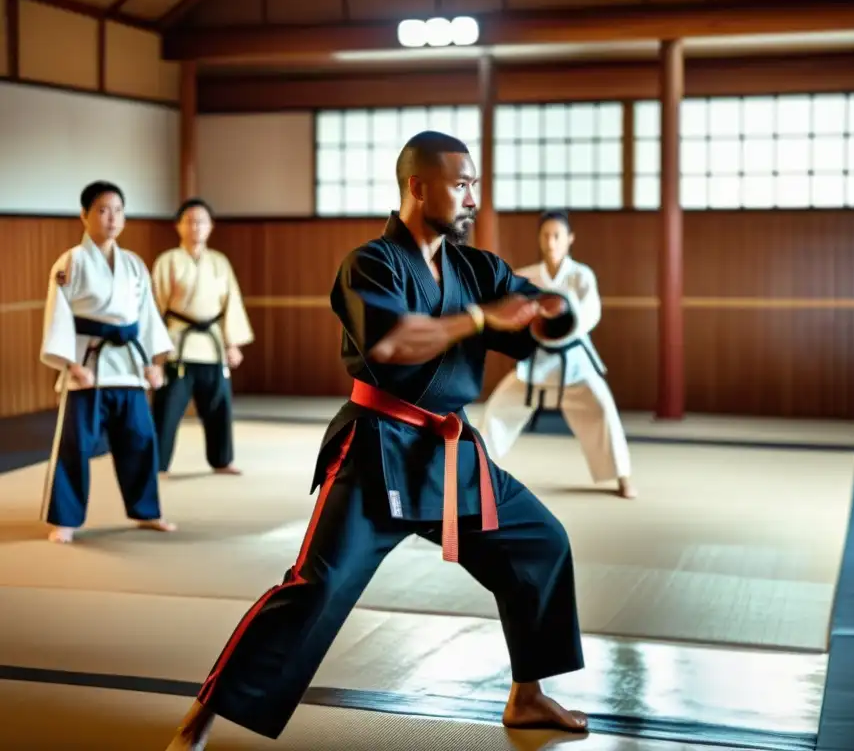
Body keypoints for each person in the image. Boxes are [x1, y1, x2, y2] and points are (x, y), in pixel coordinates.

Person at [166, 132, 588, 749]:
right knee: (316, 587)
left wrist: (551, 309)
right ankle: (199, 718)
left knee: (541, 544)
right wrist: (477, 319)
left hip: (450, 452)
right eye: (460, 183)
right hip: (377, 450)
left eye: (475, 183)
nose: (473, 196)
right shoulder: (370, 264)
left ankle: (526, 695)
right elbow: (390, 344)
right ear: (418, 187)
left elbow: (531, 314)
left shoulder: (477, 267)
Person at [39, 180, 177, 544]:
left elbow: (147, 317)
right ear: (84, 215)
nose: (112, 217)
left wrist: (154, 363)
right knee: (75, 446)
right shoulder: (71, 261)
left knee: (141, 440)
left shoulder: (133, 265)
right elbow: (58, 315)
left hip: (129, 369)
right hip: (88, 368)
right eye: (102, 209)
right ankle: (65, 519)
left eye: (118, 210)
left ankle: (146, 511)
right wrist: (70, 365)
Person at [480, 211, 636, 499]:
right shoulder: (526, 276)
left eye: (557, 236)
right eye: (545, 235)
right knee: (498, 409)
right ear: (539, 239)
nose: (551, 242)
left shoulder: (581, 275)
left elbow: (590, 314)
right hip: (536, 360)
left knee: (602, 407)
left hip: (573, 360)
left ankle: (623, 476)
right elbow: (511, 309)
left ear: (569, 239)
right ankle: (475, 471)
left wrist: (562, 318)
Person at [151, 198, 254, 476]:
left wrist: (232, 344)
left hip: (213, 346)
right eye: (190, 221)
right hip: (177, 346)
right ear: (178, 226)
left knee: (219, 408)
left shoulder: (220, 262)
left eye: (202, 221)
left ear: (210, 227)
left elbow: (231, 304)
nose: (196, 226)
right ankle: (157, 463)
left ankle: (222, 460)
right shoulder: (167, 261)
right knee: (167, 409)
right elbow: (154, 309)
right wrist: (156, 355)